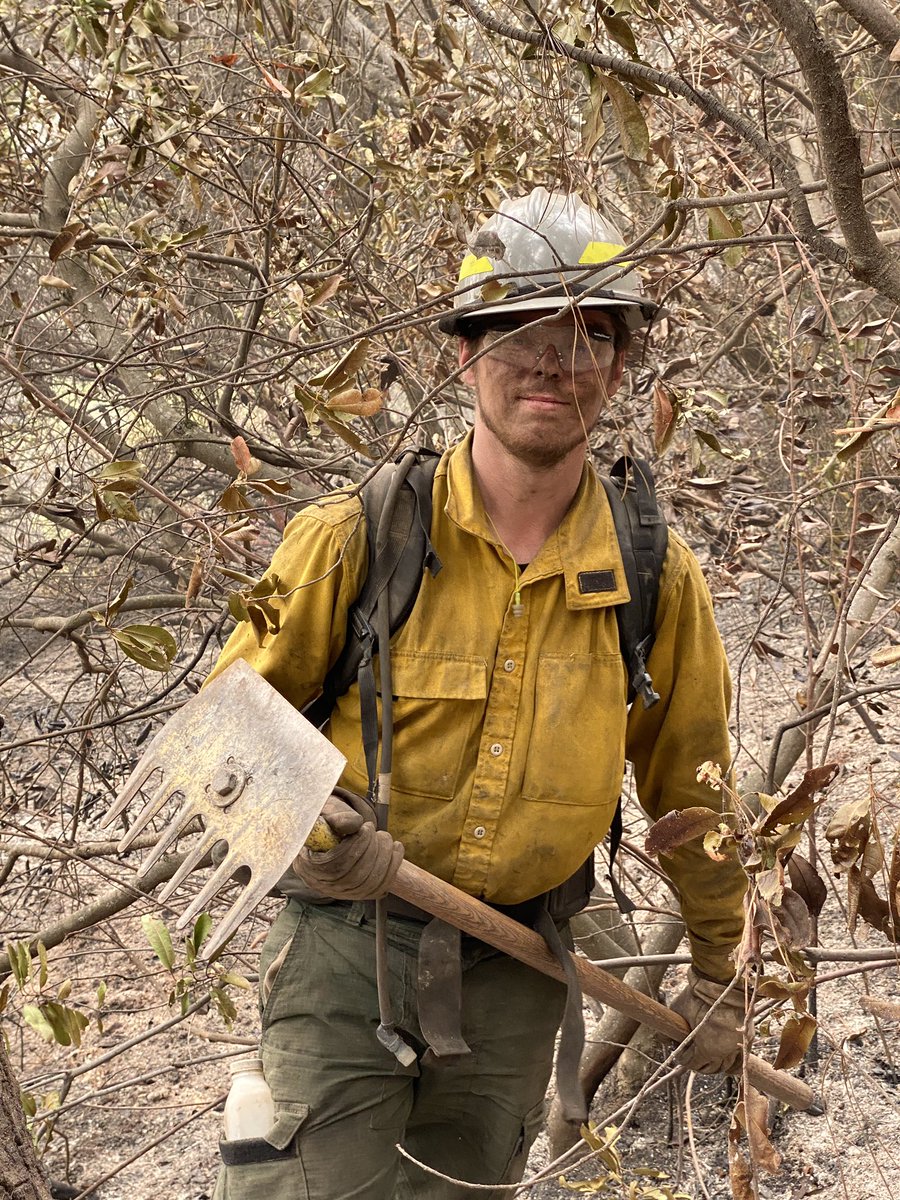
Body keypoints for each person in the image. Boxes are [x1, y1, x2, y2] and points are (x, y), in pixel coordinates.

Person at [209, 187, 748, 1200]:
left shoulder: (653, 576)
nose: (552, 361)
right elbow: (217, 740)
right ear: (464, 352)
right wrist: (311, 821)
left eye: (589, 334)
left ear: (623, 366)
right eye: (519, 331)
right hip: (347, 953)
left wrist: (721, 962)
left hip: (520, 970)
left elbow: (698, 789)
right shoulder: (356, 537)